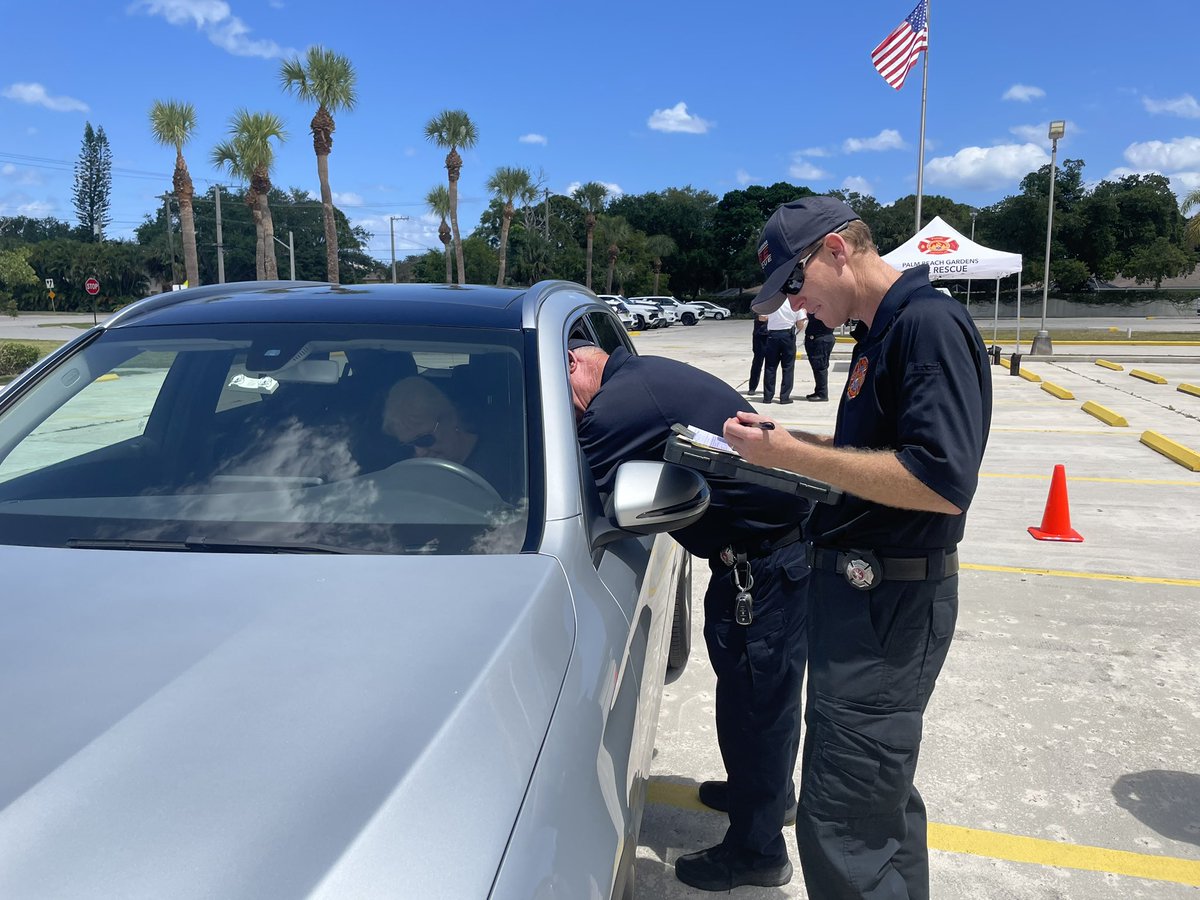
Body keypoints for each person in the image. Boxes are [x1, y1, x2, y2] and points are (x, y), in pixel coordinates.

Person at [724, 196, 992, 900]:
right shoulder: (880, 332)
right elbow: (868, 458)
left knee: (844, 815)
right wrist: (783, 447)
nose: (795, 304)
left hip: (888, 605)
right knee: (874, 801)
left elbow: (940, 481)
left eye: (795, 283)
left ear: (837, 252)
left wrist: (798, 456)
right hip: (863, 599)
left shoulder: (925, 326)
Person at [567, 338, 810, 892]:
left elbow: (595, 504)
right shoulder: (643, 376)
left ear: (578, 364)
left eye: (566, 393)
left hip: (763, 566)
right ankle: (768, 794)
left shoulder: (615, 407)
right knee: (760, 699)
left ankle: (758, 850)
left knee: (754, 704)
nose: (571, 408)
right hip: (768, 556)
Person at [381, 375, 509, 494]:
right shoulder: (409, 474)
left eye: (425, 440)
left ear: (451, 419)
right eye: (409, 445)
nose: (419, 453)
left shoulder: (502, 468)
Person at [761, 299, 799, 404]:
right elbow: (801, 322)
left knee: (770, 367)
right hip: (788, 335)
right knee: (788, 367)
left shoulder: (771, 302)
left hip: (773, 335)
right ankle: (784, 397)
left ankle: (768, 397)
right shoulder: (794, 302)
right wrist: (796, 332)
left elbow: (762, 317)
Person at [802, 311, 835, 401]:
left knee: (820, 367)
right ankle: (819, 391)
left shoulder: (824, 309)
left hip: (820, 338)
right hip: (819, 338)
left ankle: (822, 393)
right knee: (819, 367)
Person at [745, 314, 769, 396]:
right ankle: (752, 387)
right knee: (757, 362)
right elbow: (761, 317)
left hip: (772, 334)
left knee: (770, 365)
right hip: (760, 335)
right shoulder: (758, 303)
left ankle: (768, 389)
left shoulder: (776, 303)